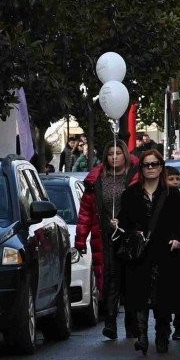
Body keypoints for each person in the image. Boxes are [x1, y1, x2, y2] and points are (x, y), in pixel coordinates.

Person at [117, 152, 180, 354]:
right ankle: (141, 335)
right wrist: (124, 228)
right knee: (139, 295)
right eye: (146, 165)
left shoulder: (172, 194)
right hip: (139, 253)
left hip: (164, 251)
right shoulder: (130, 194)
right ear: (141, 169)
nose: (150, 168)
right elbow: (124, 221)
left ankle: (162, 335)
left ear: (161, 167)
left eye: (154, 164)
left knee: (162, 296)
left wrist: (177, 238)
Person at [78, 144, 137, 340]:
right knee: (110, 277)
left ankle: (132, 324)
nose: (114, 157)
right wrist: (80, 239)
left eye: (118, 153)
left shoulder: (136, 176)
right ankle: (110, 322)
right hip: (104, 235)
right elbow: (86, 212)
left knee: (130, 279)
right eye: (110, 153)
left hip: (128, 235)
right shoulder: (97, 180)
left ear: (125, 155)